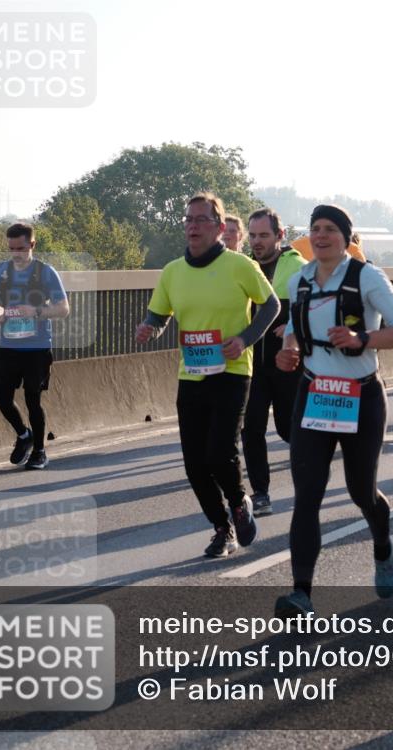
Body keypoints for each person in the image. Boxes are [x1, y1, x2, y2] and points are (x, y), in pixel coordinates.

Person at [273, 205, 393, 616]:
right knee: (307, 495)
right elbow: (293, 332)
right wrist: (287, 353)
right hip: (314, 393)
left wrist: (361, 338)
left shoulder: (367, 276)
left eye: (330, 229)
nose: (320, 236)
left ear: (347, 238)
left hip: (361, 396)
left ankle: (382, 546)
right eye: (315, 228)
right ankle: (301, 594)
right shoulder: (300, 279)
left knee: (361, 491)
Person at [136, 193, 278, 557]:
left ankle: (239, 502)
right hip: (192, 373)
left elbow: (271, 305)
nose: (193, 226)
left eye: (201, 220)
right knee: (194, 463)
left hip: (232, 371)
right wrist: (150, 327)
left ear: (219, 227)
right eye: (189, 219)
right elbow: (159, 314)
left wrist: (245, 339)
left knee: (219, 452)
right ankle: (222, 528)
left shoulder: (240, 266)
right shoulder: (172, 271)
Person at [240, 208, 307, 515]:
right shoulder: (243, 268)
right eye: (253, 235)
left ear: (280, 236)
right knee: (251, 428)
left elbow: (313, 309)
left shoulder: (299, 268)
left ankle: (311, 472)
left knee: (286, 427)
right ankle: (261, 493)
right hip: (251, 364)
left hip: (286, 364)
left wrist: (293, 324)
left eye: (264, 235)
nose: (257, 242)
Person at [0, 222, 70, 469]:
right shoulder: (3, 270)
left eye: (21, 248)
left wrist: (35, 311)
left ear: (32, 244)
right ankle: (24, 435)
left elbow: (63, 309)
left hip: (36, 348)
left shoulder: (46, 272)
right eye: (11, 248)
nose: (16, 253)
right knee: (2, 398)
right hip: (8, 346)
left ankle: (39, 451)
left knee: (33, 399)